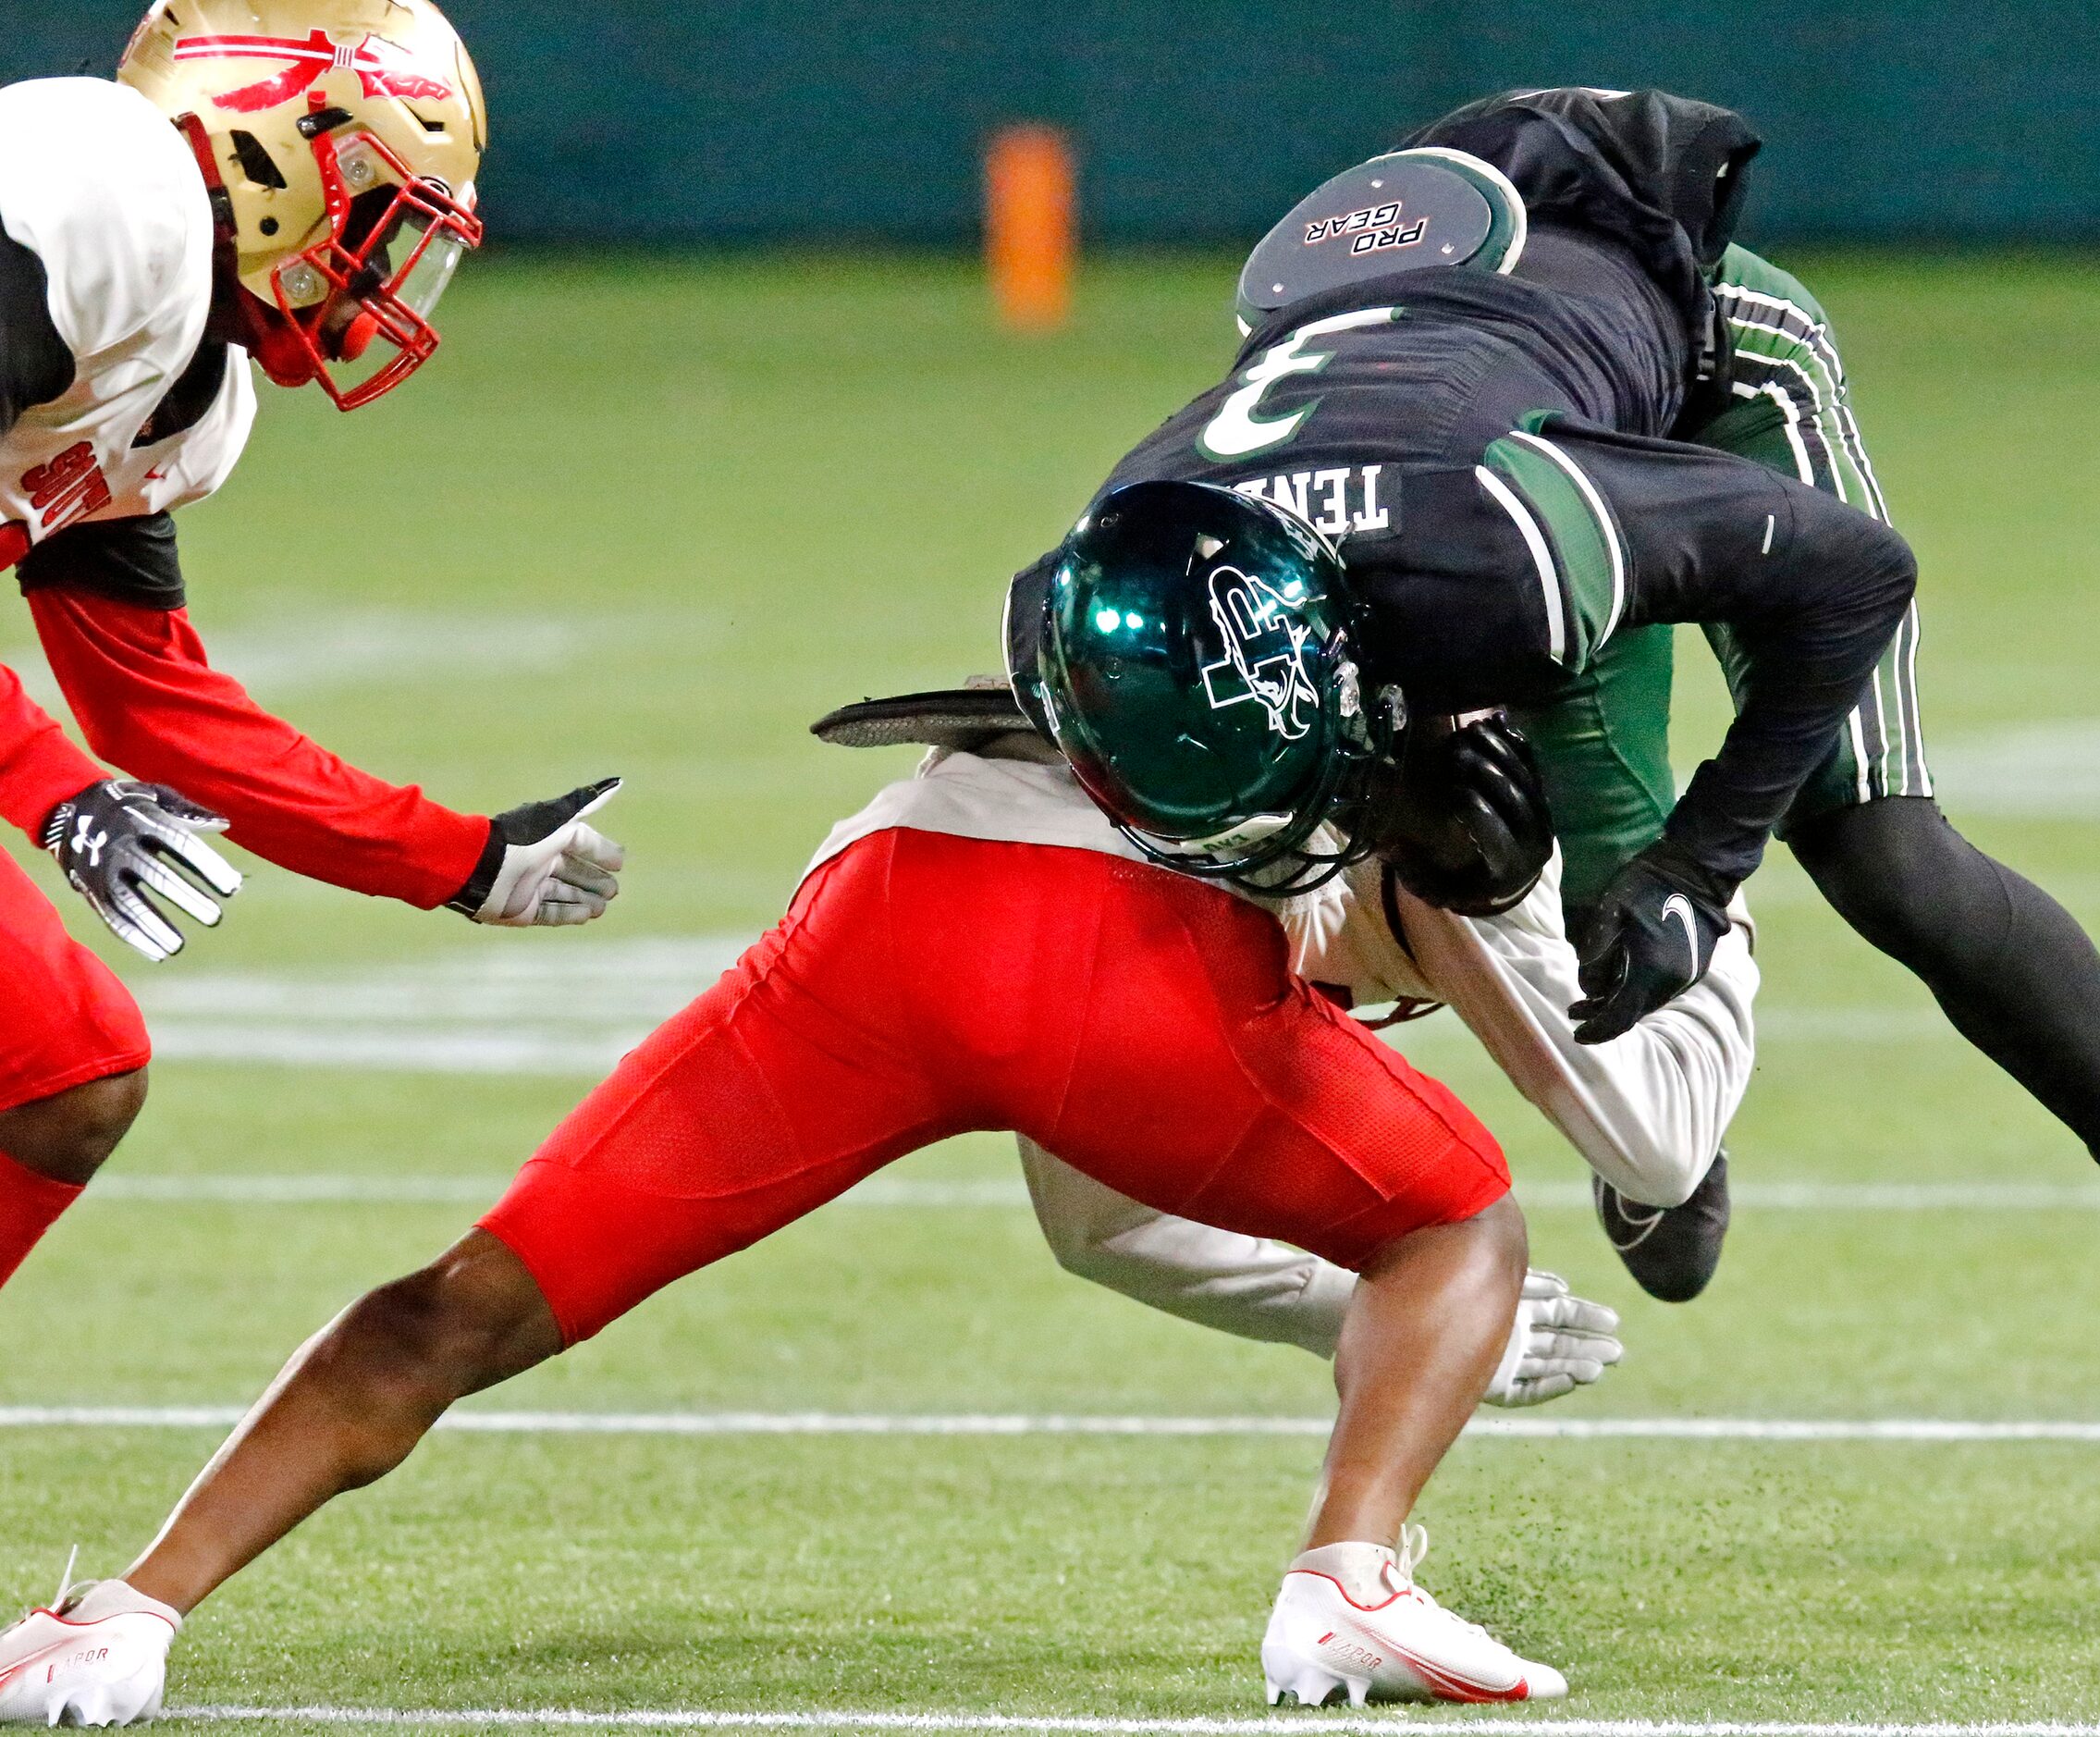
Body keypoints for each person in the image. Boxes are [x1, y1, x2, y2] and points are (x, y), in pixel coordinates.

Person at [0, 492, 1618, 1724]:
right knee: (1454, 1216)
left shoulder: (1203, 571)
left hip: (884, 912)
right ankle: (1345, 1576)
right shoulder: (1414, 661)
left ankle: (129, 1608)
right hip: (1129, 980)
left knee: (469, 1301)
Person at [1023, 88, 2100, 1441]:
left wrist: (1697, 869)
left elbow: (1851, 579)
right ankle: (1669, 1082)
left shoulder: (1488, 557)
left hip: (1683, 377)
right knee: (1591, 957)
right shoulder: (1086, 612)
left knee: (1877, 845)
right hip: (1497, 438)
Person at [0, 0, 626, 1294]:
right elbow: (96, 756)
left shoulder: (182, 375)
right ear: (283, 148)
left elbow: (158, 711)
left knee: (59, 1064)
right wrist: (50, 793)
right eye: (385, 215)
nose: (388, 266)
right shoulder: (98, 195)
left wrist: (465, 860)